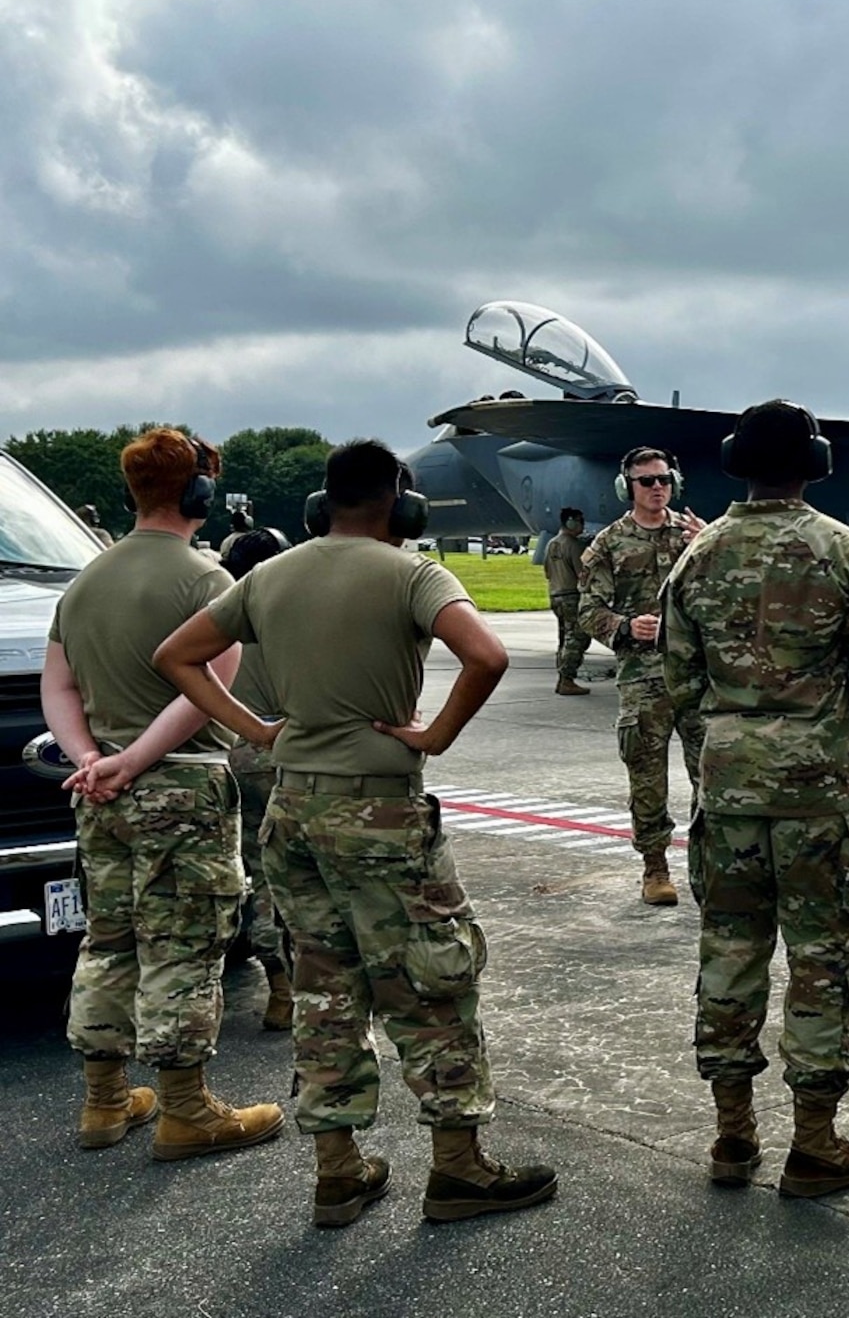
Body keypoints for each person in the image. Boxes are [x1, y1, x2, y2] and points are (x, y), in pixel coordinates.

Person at [155, 440, 557, 1229]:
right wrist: (434, 733)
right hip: (378, 806)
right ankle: (457, 1166)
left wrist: (259, 730)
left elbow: (178, 655)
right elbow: (488, 652)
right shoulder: (414, 573)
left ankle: (338, 1171)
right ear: (401, 504)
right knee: (430, 980)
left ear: (320, 504)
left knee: (325, 985)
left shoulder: (269, 574)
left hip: (293, 810)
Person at [663, 400, 849, 1198]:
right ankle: (816, 1141)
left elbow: (680, 684)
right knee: (821, 961)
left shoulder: (696, 557)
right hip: (819, 795)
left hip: (726, 788)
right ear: (816, 463)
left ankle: (732, 1134)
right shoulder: (846, 554)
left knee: (729, 952)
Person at [40, 427, 284, 1160]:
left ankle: (105, 1101)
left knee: (108, 939)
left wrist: (92, 757)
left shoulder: (83, 581)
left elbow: (58, 685)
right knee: (184, 944)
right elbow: (208, 688)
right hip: (180, 788)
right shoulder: (208, 581)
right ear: (201, 495)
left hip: (100, 793)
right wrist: (142, 756)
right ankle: (185, 1109)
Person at [579, 448, 705, 905]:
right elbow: (588, 611)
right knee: (647, 779)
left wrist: (711, 547)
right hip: (643, 677)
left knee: (709, 775)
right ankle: (655, 866)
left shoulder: (696, 534)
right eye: (646, 480)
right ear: (626, 488)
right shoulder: (610, 544)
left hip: (695, 674)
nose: (657, 487)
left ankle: (709, 867)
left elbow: (729, 594)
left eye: (664, 479)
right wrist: (625, 627)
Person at [219, 526, 296, 1032]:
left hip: (229, 756)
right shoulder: (291, 619)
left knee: (244, 868)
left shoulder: (218, 620)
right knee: (283, 879)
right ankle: (285, 986)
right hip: (281, 756)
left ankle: (251, 957)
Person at [544, 507, 592, 696]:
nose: (582, 526)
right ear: (571, 522)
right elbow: (582, 574)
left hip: (555, 595)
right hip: (571, 596)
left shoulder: (551, 544)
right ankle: (567, 678)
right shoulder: (573, 545)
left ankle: (562, 674)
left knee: (564, 636)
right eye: (580, 521)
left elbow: (547, 572)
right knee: (578, 637)